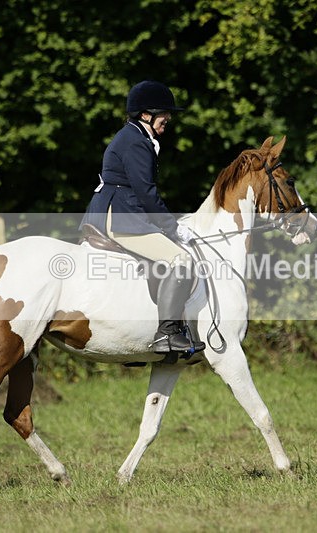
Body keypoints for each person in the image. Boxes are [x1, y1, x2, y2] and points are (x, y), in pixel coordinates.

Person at [80, 80, 205, 356]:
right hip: (121, 216)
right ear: (146, 114)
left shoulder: (134, 136)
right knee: (182, 260)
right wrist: (173, 228)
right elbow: (147, 193)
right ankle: (167, 333)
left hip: (120, 210)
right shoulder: (136, 141)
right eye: (164, 113)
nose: (168, 118)